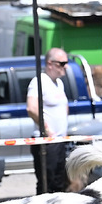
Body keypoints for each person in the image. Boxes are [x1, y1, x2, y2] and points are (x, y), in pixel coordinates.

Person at [26, 48, 70, 194]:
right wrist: (46, 129)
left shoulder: (59, 83)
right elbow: (32, 108)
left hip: (59, 140)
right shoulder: (39, 81)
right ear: (50, 63)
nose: (66, 67)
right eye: (62, 63)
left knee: (60, 183)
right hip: (46, 141)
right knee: (46, 184)